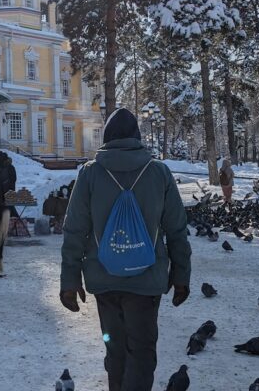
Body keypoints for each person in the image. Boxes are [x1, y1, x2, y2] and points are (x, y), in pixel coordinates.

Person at [60, 108, 192, 391]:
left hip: (104, 280)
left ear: (106, 137)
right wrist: (181, 276)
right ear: (137, 137)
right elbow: (177, 229)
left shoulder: (90, 173)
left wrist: (69, 281)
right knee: (142, 353)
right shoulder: (158, 172)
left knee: (115, 351)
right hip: (146, 281)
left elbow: (74, 231)